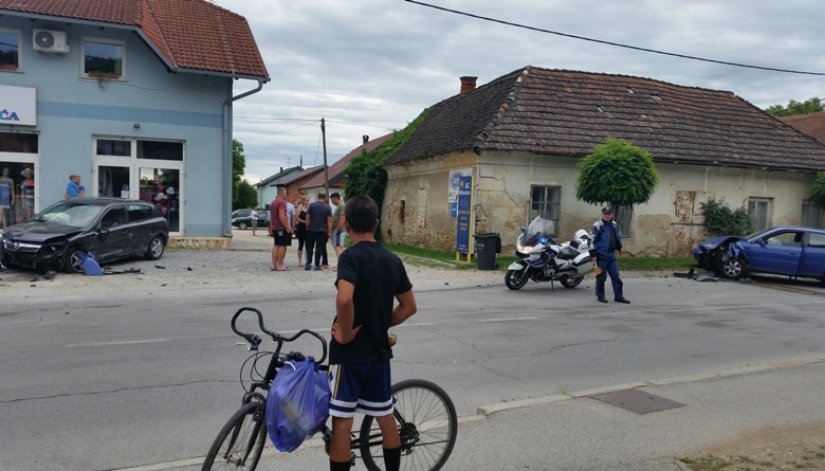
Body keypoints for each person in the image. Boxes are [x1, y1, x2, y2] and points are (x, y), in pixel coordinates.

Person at [327, 195, 417, 471]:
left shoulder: (350, 257)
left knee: (342, 423)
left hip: (350, 355)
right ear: (376, 223)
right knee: (385, 417)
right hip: (378, 353)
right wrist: (382, 323)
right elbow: (409, 306)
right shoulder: (392, 259)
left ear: (346, 223)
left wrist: (344, 331)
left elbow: (344, 299)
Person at [589, 206, 630, 304]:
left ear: (611, 214)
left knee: (616, 276)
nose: (607, 215)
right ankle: (600, 296)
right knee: (601, 276)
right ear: (602, 214)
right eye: (605, 214)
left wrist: (618, 248)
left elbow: (617, 237)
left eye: (609, 214)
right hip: (600, 256)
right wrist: (593, 254)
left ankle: (619, 296)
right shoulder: (597, 225)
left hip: (611, 256)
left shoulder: (615, 225)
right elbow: (591, 240)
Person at [304, 192, 332, 271]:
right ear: (325, 197)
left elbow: (307, 216)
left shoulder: (312, 205)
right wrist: (329, 231)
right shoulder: (328, 207)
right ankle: (317, 265)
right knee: (319, 248)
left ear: (318, 196)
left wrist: (307, 226)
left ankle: (308, 264)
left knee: (309, 247)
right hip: (322, 231)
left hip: (312, 229)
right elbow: (329, 220)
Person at [268, 186, 292, 271]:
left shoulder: (273, 202)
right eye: (286, 193)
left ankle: (273, 264)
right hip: (281, 228)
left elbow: (271, 217)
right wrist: (288, 227)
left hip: (275, 227)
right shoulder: (282, 203)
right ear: (282, 193)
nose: (286, 195)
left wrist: (271, 227)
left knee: (276, 245)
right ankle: (280, 265)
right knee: (282, 245)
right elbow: (282, 216)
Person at [293, 195, 310, 266]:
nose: (308, 202)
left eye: (308, 200)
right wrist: (304, 221)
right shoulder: (300, 207)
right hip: (301, 227)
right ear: (303, 201)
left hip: (308, 228)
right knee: (301, 244)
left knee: (308, 245)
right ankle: (300, 261)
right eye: (306, 200)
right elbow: (296, 218)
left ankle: (307, 260)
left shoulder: (309, 207)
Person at [330, 193, 347, 263]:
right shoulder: (339, 206)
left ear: (335, 198)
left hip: (339, 230)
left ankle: (341, 264)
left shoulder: (342, 206)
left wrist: (336, 229)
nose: (331, 202)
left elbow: (342, 219)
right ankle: (340, 263)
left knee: (338, 247)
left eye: (332, 200)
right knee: (338, 247)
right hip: (338, 230)